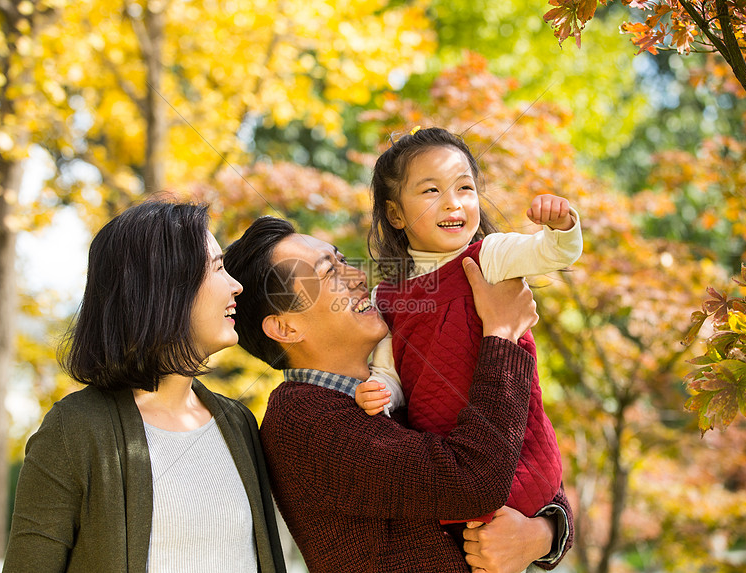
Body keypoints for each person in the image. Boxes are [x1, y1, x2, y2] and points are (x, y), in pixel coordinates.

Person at [223, 216, 573, 573]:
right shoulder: (301, 422)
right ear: (286, 327)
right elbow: (472, 481)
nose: (357, 276)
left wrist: (542, 533)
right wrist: (502, 334)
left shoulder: (397, 375)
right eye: (330, 273)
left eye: (342, 260)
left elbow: (529, 462)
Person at [3, 200, 286, 573]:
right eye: (217, 268)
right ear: (167, 284)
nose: (236, 285)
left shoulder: (238, 423)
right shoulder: (73, 432)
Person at [356, 126, 582, 525]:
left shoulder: (490, 257)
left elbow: (550, 253)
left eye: (464, 188)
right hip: (449, 461)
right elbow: (390, 375)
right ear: (395, 214)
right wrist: (380, 393)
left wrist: (561, 225)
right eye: (431, 191)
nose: (452, 204)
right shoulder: (387, 298)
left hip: (516, 453)